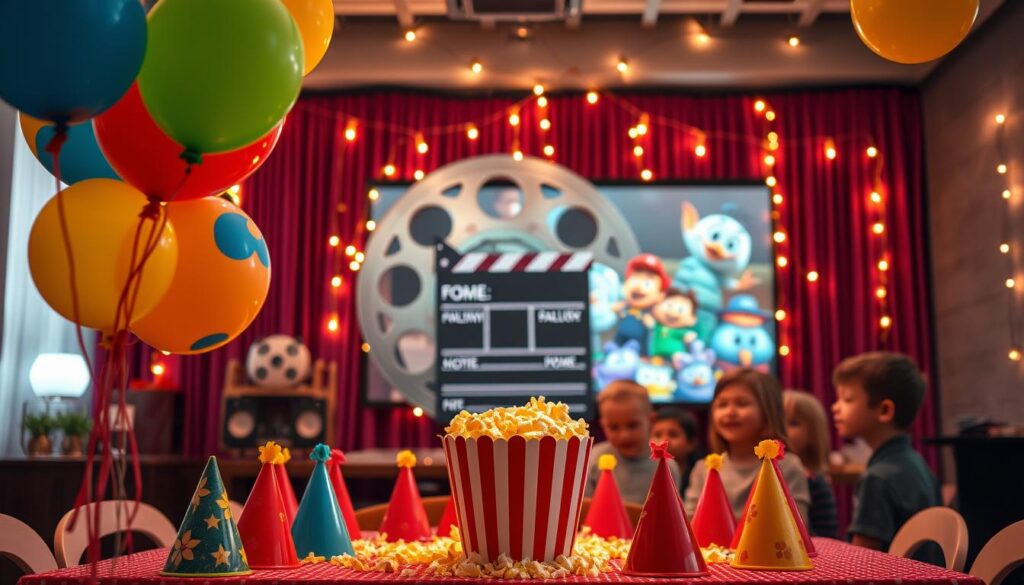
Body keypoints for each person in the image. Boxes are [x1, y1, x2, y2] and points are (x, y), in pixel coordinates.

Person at [832, 352, 940, 557]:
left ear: (884, 410)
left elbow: (861, 560)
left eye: (847, 399)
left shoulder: (877, 478)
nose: (835, 407)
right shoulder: (918, 463)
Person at [683, 369, 810, 523]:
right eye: (722, 404)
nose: (730, 412)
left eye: (742, 403)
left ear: (767, 413)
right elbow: (691, 524)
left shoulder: (787, 466)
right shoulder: (704, 468)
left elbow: (796, 527)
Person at [585, 380, 682, 504]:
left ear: (651, 421)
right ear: (603, 426)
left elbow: (671, 513)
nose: (624, 435)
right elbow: (584, 510)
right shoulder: (594, 459)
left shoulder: (667, 466)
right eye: (614, 427)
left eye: (632, 425)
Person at [783, 390, 838, 538]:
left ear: (813, 435)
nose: (781, 429)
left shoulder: (813, 481)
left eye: (793, 423)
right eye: (777, 420)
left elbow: (827, 535)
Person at [651, 406, 703, 490]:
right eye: (657, 435)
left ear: (691, 444)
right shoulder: (648, 473)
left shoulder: (700, 475)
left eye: (673, 435)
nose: (664, 441)